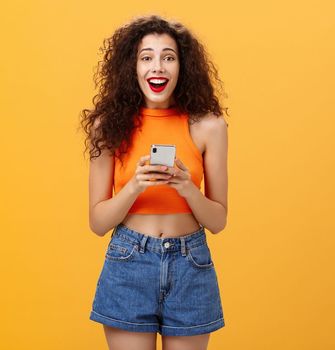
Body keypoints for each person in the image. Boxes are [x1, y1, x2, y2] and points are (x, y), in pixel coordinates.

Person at [80, 14, 229, 350]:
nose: (157, 67)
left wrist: (186, 186)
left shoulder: (209, 127)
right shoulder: (108, 126)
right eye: (146, 57)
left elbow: (218, 221)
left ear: (183, 67)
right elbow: (98, 222)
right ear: (131, 68)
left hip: (191, 264)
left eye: (168, 57)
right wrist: (135, 184)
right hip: (128, 262)